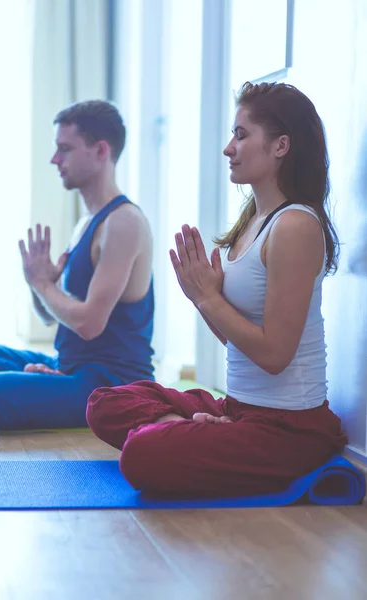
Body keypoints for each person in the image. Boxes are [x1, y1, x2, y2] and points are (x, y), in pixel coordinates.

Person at [86, 81, 348, 498]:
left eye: (241, 135)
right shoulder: (252, 222)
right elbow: (238, 342)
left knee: (140, 455)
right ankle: (195, 430)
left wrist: (208, 298)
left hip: (289, 431)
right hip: (238, 409)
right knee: (104, 403)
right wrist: (203, 299)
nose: (229, 148)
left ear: (281, 146)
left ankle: (188, 434)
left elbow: (276, 356)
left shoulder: (295, 226)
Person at [0, 100, 154, 430]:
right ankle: (49, 383)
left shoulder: (123, 223)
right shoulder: (86, 223)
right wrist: (38, 283)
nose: (54, 159)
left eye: (65, 149)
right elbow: (51, 315)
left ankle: (51, 387)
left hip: (110, 384)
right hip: (70, 365)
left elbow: (89, 324)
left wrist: (44, 285)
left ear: (100, 151)